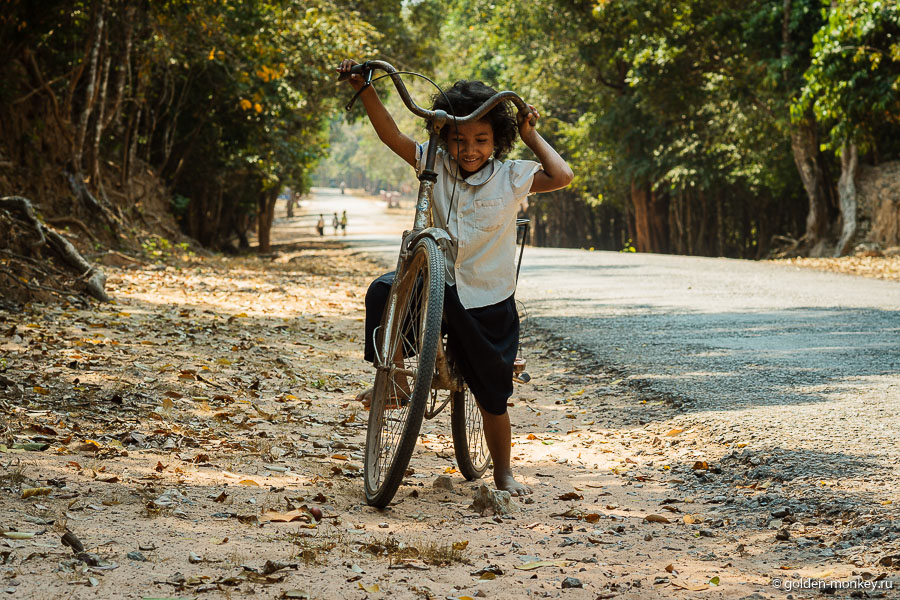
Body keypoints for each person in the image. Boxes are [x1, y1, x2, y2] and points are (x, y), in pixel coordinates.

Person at [338, 58, 573, 497]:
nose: (469, 149)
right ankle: (396, 380)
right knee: (383, 289)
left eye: (482, 140)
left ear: (497, 141)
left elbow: (561, 176)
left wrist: (530, 134)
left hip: (488, 295)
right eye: (459, 139)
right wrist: (366, 89)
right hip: (436, 284)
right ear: (444, 139)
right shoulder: (433, 164)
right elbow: (392, 135)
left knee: (492, 392)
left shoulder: (510, 175)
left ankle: (502, 471)